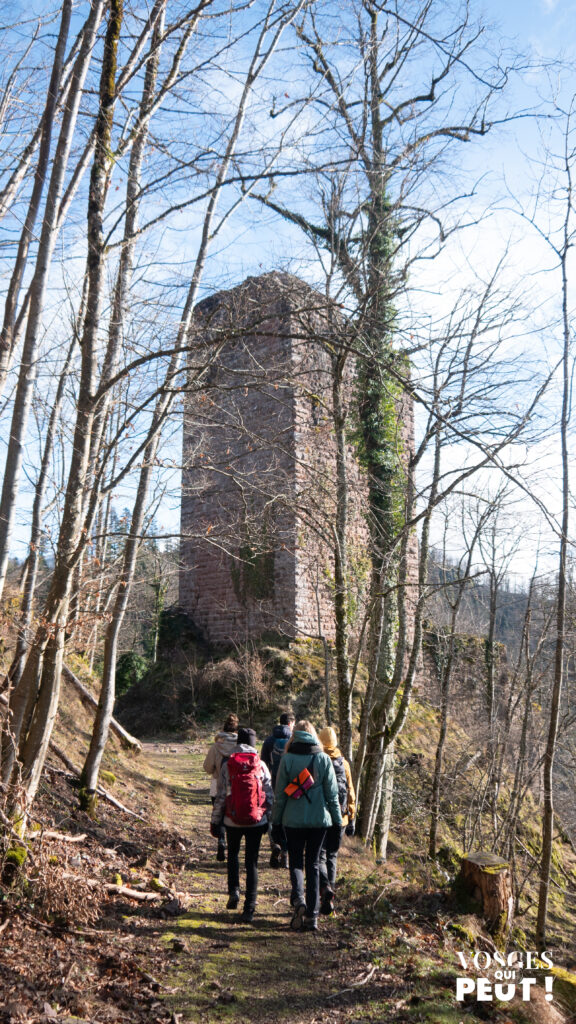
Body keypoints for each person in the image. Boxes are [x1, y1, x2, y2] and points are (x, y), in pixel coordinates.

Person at [271, 719, 342, 933]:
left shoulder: (288, 759)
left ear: (295, 736)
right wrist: (337, 823)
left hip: (292, 821)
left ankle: (299, 900)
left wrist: (276, 822)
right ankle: (313, 916)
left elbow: (280, 796)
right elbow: (332, 796)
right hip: (319, 822)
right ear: (313, 735)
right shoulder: (323, 758)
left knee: (295, 863)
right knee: (312, 865)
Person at [211, 726, 273, 923]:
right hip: (256, 820)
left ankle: (234, 891)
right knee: (252, 862)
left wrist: (215, 821)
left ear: (238, 744)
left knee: (233, 856)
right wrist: (268, 820)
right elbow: (269, 796)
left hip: (232, 819)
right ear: (255, 744)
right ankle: (250, 906)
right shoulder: (261, 765)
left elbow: (221, 796)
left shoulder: (228, 764)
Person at [317, 726, 356, 916]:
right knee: (332, 856)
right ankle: (330, 893)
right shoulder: (344, 763)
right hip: (341, 818)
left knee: (320, 856)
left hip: (322, 817)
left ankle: (324, 889)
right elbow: (350, 791)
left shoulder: (317, 760)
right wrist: (352, 816)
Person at [261, 711, 295, 868]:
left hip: (272, 785)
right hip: (290, 787)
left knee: (273, 817)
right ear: (290, 724)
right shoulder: (292, 740)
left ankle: (275, 844)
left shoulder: (269, 741)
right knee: (287, 819)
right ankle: (286, 855)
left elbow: (263, 764)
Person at [203, 713, 238, 861]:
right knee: (232, 815)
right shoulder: (240, 746)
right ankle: (232, 845)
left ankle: (221, 840)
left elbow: (207, 768)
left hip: (216, 785)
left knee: (219, 814)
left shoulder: (216, 746)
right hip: (235, 786)